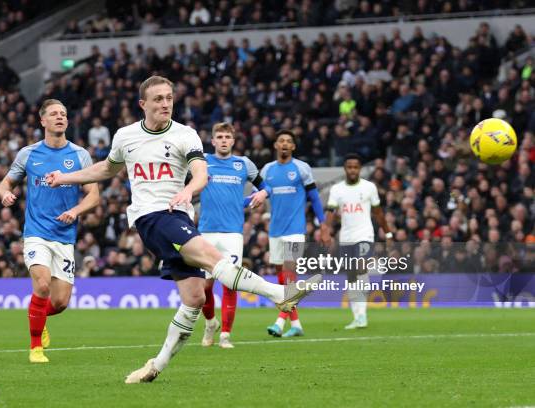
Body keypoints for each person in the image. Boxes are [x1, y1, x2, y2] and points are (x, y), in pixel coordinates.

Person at [45, 76, 321, 383]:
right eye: (158, 99)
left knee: (194, 299)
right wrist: (65, 178)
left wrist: (189, 190)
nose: (165, 104)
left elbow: (201, 174)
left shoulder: (185, 134)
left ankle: (155, 365)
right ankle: (282, 294)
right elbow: (107, 169)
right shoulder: (126, 136)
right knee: (213, 257)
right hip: (153, 217)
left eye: (169, 98)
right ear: (143, 104)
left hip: (180, 215)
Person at [0, 99, 100, 363]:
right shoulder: (28, 154)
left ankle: (36, 316)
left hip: (65, 237)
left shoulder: (80, 155)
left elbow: (93, 196)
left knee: (60, 303)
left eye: (63, 114)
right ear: (42, 121)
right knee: (42, 285)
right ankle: (36, 349)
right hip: (36, 233)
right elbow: (5, 182)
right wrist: (6, 194)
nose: (60, 117)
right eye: (54, 114)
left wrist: (76, 211)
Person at [198, 122, 270, 349]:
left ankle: (226, 336)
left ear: (233, 141)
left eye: (227, 137)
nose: (223, 141)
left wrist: (262, 193)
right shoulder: (202, 162)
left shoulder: (243, 164)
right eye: (219, 137)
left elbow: (264, 185)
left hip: (232, 234)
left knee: (231, 284)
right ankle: (211, 323)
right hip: (206, 232)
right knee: (203, 288)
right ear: (212, 141)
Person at [260, 130, 328, 338]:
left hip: (295, 230)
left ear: (293, 147)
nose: (285, 144)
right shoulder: (267, 171)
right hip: (275, 231)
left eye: (289, 141)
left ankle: (280, 322)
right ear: (275, 145)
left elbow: (315, 198)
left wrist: (323, 224)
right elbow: (258, 195)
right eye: (281, 141)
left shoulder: (301, 168)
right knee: (283, 280)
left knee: (289, 276)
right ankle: (296, 324)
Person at [323, 153, 393, 329]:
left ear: (359, 169)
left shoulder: (369, 187)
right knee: (352, 276)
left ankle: (362, 316)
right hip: (346, 236)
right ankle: (358, 315)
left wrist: (388, 233)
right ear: (345, 168)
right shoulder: (337, 189)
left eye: (355, 167)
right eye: (349, 167)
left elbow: (378, 213)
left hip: (365, 234)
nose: (352, 170)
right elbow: (331, 212)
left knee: (362, 266)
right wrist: (326, 230)